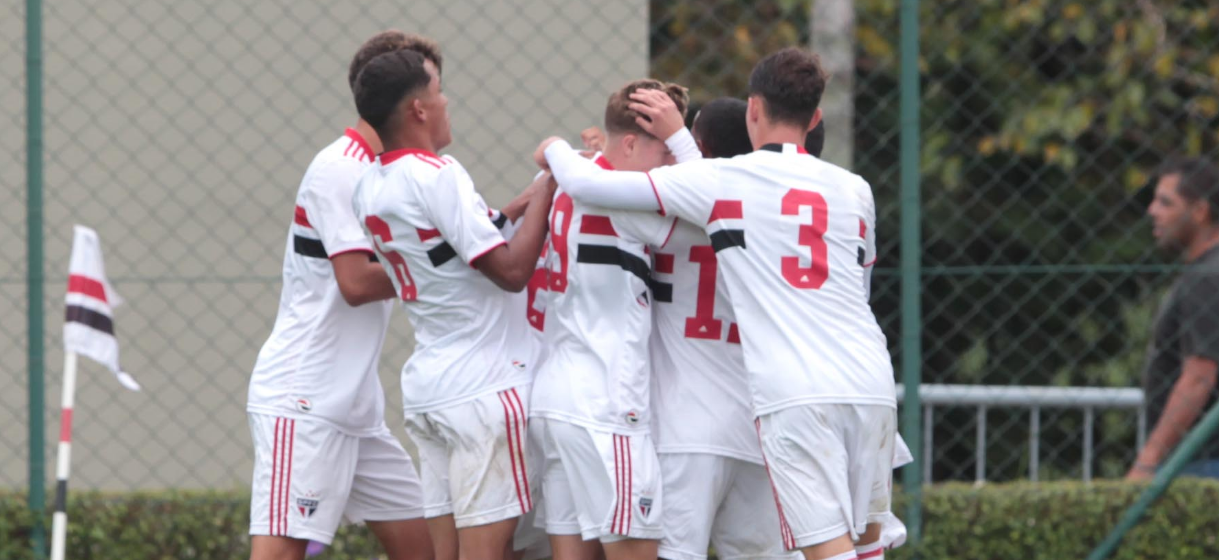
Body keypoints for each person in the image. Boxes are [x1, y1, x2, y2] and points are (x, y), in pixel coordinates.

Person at [536, 47, 898, 560]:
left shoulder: (723, 185)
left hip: (752, 405)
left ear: (755, 108)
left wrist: (558, 148)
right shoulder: (855, 189)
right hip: (867, 382)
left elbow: (592, 188)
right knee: (863, 545)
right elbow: (857, 290)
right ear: (816, 117)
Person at [350, 48, 555, 560]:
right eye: (439, 90)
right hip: (483, 384)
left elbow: (461, 245)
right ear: (419, 109)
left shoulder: (370, 186)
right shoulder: (438, 173)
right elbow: (510, 272)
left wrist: (531, 197)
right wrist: (552, 188)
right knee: (490, 550)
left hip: (431, 384)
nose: (446, 101)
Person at [244, 31, 437, 560]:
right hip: (304, 399)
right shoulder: (341, 168)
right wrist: (444, 264)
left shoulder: (391, 173)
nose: (440, 103)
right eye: (433, 89)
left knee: (430, 550)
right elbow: (355, 283)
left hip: (355, 408)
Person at [528, 79, 699, 560]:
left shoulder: (574, 183)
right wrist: (687, 150)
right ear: (629, 143)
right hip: (606, 405)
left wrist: (560, 149)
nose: (669, 165)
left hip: (557, 398)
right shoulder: (622, 197)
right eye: (664, 150)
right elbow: (714, 210)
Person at [1128, 157, 1219, 481]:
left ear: (1199, 211)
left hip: (1202, 462)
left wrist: (1148, 461)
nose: (1153, 210)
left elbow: (1199, 376)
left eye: (1166, 202)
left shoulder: (1207, 276)